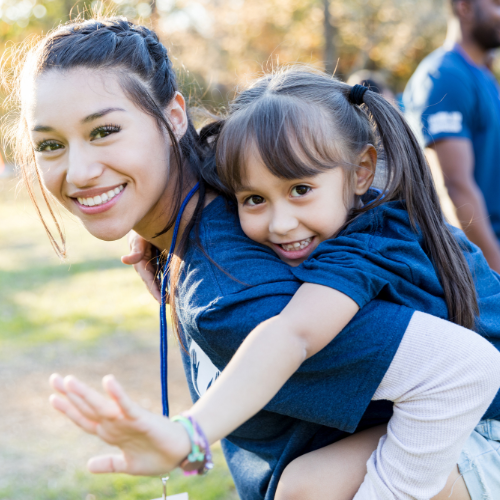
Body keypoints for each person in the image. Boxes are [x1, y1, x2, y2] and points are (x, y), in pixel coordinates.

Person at [5, 16, 499, 500]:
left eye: (105, 130)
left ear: (175, 117)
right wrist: (160, 243)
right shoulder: (244, 181)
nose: (80, 171)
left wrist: (187, 437)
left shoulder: (231, 292)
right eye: (50, 144)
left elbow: (461, 369)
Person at [404, 0, 500, 273]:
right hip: (480, 262)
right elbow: (455, 188)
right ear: (465, 8)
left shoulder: (482, 74)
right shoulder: (445, 76)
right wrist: (495, 275)